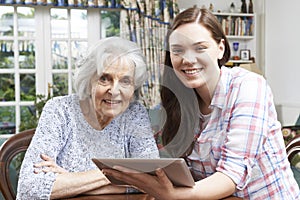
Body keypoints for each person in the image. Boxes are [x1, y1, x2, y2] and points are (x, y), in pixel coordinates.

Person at [102, 7, 300, 199]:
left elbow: (231, 175)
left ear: (220, 49)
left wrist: (172, 195)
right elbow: (182, 174)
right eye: (178, 50)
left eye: (200, 48)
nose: (188, 59)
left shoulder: (249, 87)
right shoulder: (179, 102)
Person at [16, 37, 159, 199]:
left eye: (125, 81)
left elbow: (153, 180)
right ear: (89, 80)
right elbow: (28, 189)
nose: (114, 90)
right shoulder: (60, 110)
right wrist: (121, 174)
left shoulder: (135, 113)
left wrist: (69, 179)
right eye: (105, 78)